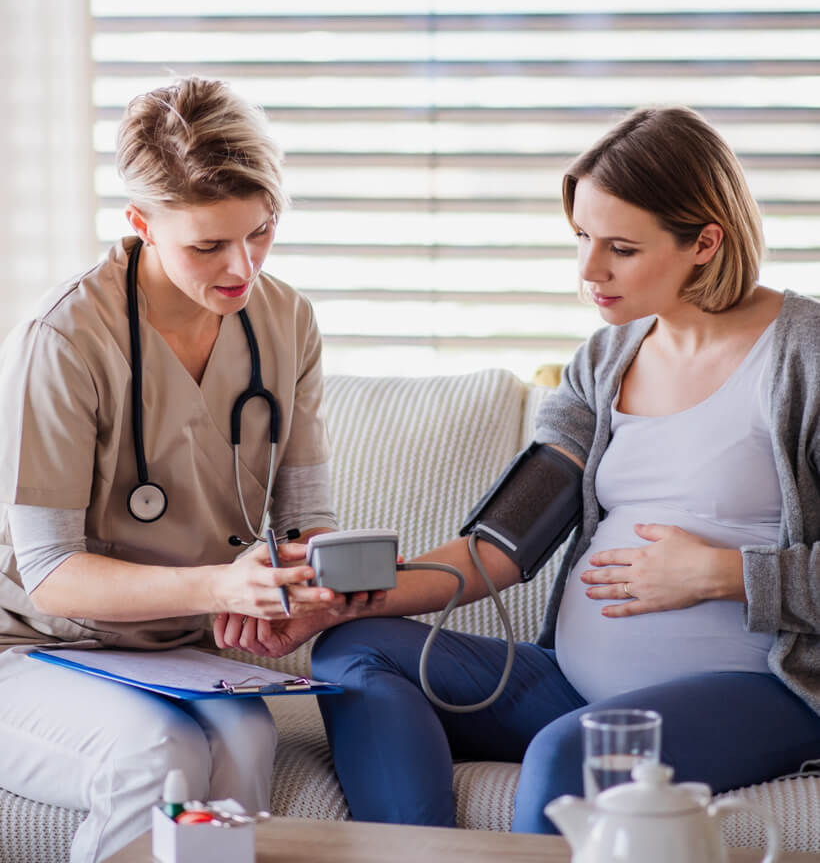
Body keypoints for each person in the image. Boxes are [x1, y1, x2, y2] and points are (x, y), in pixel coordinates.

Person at [222, 105, 820, 832]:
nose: (589, 271)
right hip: (577, 685)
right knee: (356, 648)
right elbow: (501, 546)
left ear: (705, 242)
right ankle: (418, 856)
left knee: (569, 757)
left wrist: (720, 574)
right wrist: (336, 598)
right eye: (582, 238)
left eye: (622, 249)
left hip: (766, 692)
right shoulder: (605, 361)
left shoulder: (803, 356)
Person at [0, 77, 357, 862]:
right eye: (208, 245)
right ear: (139, 224)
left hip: (174, 654)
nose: (243, 268)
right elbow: (50, 570)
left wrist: (303, 583)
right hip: (28, 646)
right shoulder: (65, 339)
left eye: (261, 232)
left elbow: (303, 519)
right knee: (155, 754)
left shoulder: (285, 319)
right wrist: (221, 584)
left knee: (244, 738)